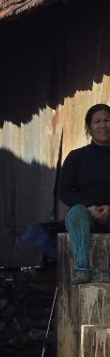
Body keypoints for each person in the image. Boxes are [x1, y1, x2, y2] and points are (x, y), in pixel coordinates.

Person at [59, 103, 110, 285]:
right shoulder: (76, 157)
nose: (103, 125)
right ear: (89, 127)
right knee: (76, 213)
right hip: (86, 215)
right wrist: (88, 207)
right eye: (97, 122)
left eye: (107, 120)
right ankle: (83, 269)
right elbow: (64, 190)